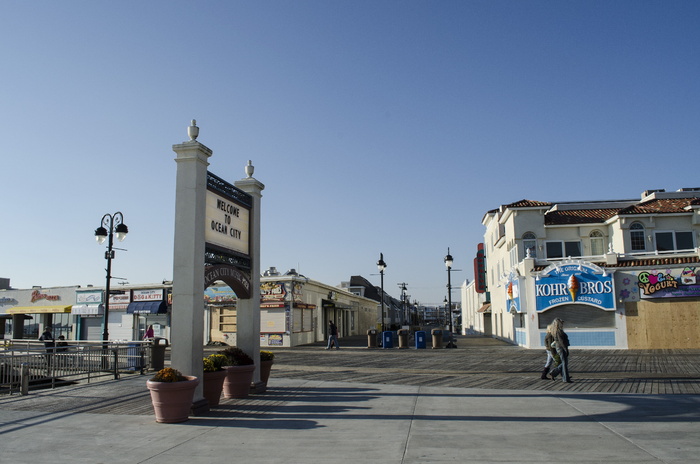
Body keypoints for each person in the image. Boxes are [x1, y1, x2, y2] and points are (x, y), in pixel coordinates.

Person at [549, 318, 572, 383]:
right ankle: (565, 378)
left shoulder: (556, 331)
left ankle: (555, 372)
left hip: (560, 347)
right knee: (564, 363)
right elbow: (561, 341)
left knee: (564, 362)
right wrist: (565, 348)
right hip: (561, 348)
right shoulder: (558, 331)